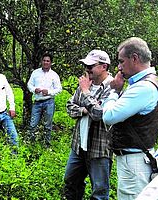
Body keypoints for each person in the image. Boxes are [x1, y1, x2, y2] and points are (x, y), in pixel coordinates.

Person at [102, 37, 158, 199]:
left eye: (122, 61)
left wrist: (114, 91)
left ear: (134, 58)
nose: (119, 67)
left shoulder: (143, 87)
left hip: (134, 162)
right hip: (137, 158)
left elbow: (109, 116)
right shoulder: (148, 82)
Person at [64, 50, 114, 200]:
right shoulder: (85, 83)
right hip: (79, 145)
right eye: (85, 65)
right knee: (71, 182)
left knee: (99, 191)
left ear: (104, 66)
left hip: (99, 148)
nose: (87, 69)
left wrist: (85, 92)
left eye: (91, 65)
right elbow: (70, 106)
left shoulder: (112, 88)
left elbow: (99, 115)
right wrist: (85, 109)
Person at [27, 52, 62, 147]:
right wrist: (34, 89)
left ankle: (47, 144)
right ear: (41, 61)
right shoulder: (35, 73)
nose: (46, 62)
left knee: (48, 124)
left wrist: (49, 92)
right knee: (33, 124)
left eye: (48, 61)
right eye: (44, 60)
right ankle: (31, 144)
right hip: (37, 102)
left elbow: (59, 89)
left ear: (50, 63)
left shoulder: (54, 75)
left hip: (49, 101)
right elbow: (29, 84)